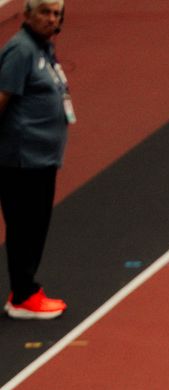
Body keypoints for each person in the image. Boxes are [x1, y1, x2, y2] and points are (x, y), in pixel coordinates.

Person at [0, 0, 72, 320]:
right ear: (28, 14)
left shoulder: (44, 49)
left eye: (57, 13)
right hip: (22, 160)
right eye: (45, 11)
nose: (51, 19)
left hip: (42, 159)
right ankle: (23, 296)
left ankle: (25, 289)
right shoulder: (21, 51)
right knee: (24, 228)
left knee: (34, 226)